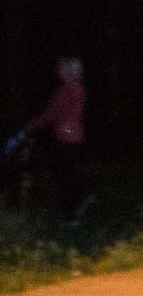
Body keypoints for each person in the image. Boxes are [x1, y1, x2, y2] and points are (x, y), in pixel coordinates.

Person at [14, 55, 90, 223]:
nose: (58, 71)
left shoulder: (67, 90)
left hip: (65, 137)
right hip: (74, 136)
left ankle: (70, 214)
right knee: (69, 173)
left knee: (63, 176)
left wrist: (30, 127)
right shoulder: (78, 89)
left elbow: (52, 114)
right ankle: (80, 199)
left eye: (61, 68)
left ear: (69, 70)